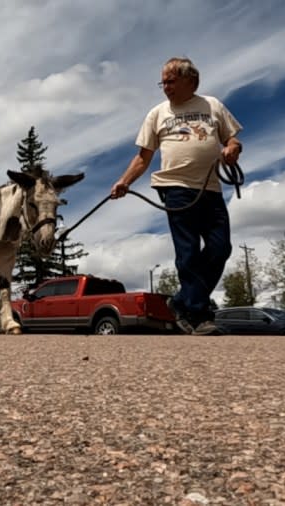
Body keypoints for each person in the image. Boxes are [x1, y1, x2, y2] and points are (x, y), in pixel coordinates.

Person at [110, 57, 242, 335]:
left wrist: (233, 149)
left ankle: (182, 301)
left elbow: (232, 139)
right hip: (175, 188)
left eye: (170, 81)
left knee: (221, 248)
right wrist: (124, 181)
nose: (165, 87)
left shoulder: (212, 105)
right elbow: (143, 157)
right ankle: (198, 315)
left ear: (190, 81)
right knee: (188, 251)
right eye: (163, 82)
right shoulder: (157, 113)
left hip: (211, 189)